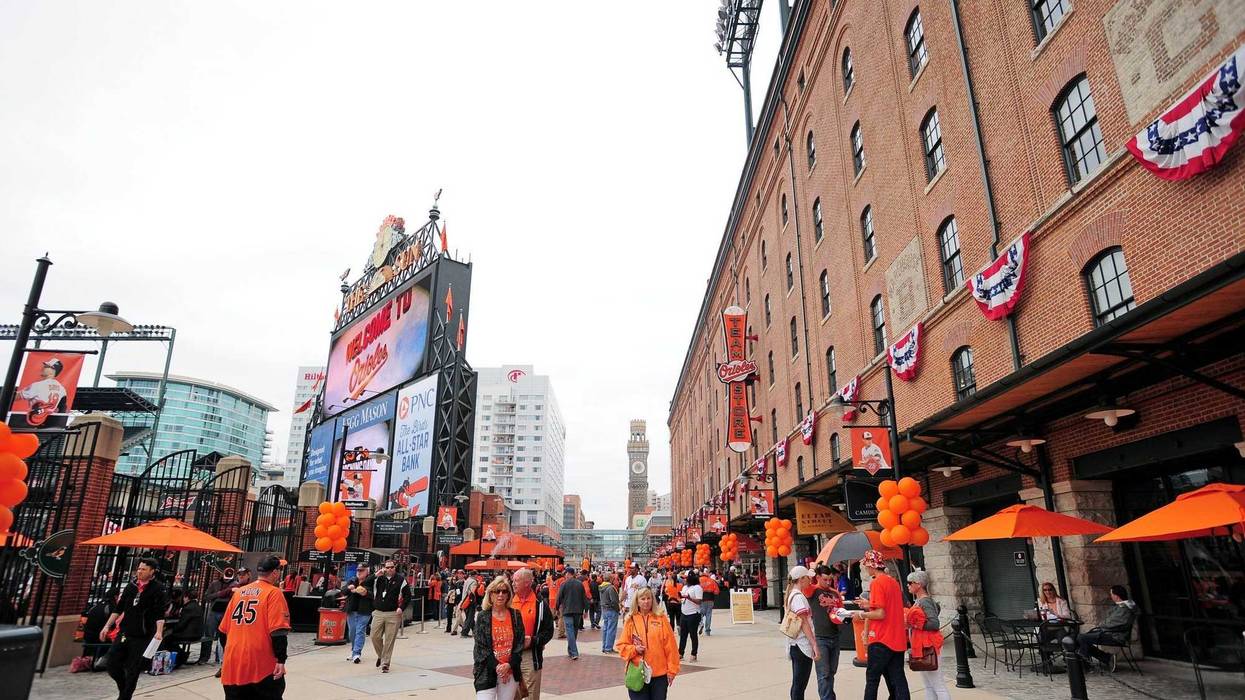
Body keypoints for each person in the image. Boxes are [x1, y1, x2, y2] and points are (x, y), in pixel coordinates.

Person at [217, 555, 290, 699]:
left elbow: (222, 631)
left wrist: (230, 652)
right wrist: (281, 659)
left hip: (234, 661)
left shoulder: (239, 592)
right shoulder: (273, 593)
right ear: (275, 572)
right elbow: (278, 631)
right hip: (261, 661)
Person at [101, 558, 167, 700]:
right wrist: (107, 626)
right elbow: (119, 608)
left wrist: (159, 631)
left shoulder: (158, 589)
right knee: (112, 663)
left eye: (143, 569)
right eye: (139, 569)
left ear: (152, 571)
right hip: (125, 632)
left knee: (133, 669)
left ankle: (125, 696)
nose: (139, 571)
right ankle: (123, 687)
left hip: (142, 635)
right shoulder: (131, 587)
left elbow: (159, 613)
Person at [856, 550, 910, 700]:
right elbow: (888, 607)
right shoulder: (893, 582)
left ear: (871, 565)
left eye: (866, 564)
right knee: (898, 679)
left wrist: (861, 614)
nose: (865, 568)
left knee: (872, 680)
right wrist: (869, 604)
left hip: (881, 639)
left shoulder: (877, 582)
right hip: (896, 639)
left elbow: (880, 614)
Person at [616, 587, 680, 700]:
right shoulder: (630, 620)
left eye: (649, 598)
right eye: (642, 598)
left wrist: (672, 670)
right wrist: (634, 649)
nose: (646, 601)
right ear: (637, 601)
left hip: (659, 675)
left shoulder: (661, 618)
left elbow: (671, 647)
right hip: (637, 673)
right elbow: (621, 646)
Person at [472, 577, 526, 700]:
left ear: (508, 595)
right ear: (490, 594)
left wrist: (508, 665)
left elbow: (519, 644)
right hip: (486, 671)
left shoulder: (515, 615)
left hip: (510, 671)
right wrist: (498, 667)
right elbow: (481, 647)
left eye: (504, 591)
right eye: (497, 591)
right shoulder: (483, 616)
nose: (500, 595)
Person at [905, 571, 949, 700]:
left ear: (918, 584)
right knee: (930, 685)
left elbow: (934, 623)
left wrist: (915, 624)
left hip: (929, 644)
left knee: (937, 685)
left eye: (910, 583)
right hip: (922, 644)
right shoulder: (921, 601)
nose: (908, 586)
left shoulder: (924, 602)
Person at [511, 568, 554, 700]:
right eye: (513, 581)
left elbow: (549, 631)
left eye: (516, 581)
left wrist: (533, 640)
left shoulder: (540, 604)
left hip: (530, 655)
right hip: (511, 656)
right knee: (512, 694)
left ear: (527, 583)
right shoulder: (509, 602)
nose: (513, 584)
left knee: (530, 695)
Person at [1076, 584, 1138, 672]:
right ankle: (1106, 658)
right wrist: (1103, 625)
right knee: (1081, 638)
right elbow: (1109, 621)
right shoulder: (1120, 606)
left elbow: (1115, 623)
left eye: (1111, 594)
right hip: (1110, 633)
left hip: (1116, 636)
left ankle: (1086, 665)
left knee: (1081, 638)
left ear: (1116, 596)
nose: (1111, 596)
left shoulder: (1125, 609)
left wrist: (1102, 625)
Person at [807, 565, 843, 700]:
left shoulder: (835, 593)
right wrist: (811, 573)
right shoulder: (812, 590)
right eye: (825, 579)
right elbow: (805, 586)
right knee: (823, 673)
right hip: (820, 638)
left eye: (830, 580)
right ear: (818, 578)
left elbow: (841, 612)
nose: (828, 582)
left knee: (831, 672)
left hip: (835, 635)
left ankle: (829, 696)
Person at [785, 565, 820, 700]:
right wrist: (814, 644)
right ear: (801, 579)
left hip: (796, 644)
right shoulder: (798, 597)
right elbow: (804, 623)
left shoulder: (792, 595)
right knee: (800, 685)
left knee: (798, 684)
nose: (810, 580)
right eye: (808, 578)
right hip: (801, 645)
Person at [202, 567, 248, 667]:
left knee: (222, 635)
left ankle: (220, 657)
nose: (227, 579)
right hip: (214, 611)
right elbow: (207, 597)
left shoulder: (235, 585)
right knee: (208, 634)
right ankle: (204, 657)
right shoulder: (215, 584)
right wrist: (219, 594)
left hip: (226, 612)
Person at [370, 560, 408, 673]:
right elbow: (365, 583)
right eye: (387, 567)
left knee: (389, 639)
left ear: (394, 567)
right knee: (374, 636)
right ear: (384, 568)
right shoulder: (379, 578)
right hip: (378, 612)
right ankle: (381, 655)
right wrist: (375, 575)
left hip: (393, 613)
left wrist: (401, 608)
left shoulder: (401, 579)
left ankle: (385, 663)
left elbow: (407, 596)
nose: (389, 569)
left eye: (391, 567)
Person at [160, 587, 204, 667]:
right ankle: (179, 655)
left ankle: (180, 657)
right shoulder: (197, 606)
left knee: (167, 638)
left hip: (190, 634)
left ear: (187, 597)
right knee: (169, 637)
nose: (183, 599)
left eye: (184, 597)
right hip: (197, 633)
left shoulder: (188, 608)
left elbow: (181, 625)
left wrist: (172, 630)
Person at [343, 563, 373, 664]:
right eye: (358, 570)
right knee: (352, 631)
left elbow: (374, 594)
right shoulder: (352, 580)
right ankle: (353, 649)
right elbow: (343, 591)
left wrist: (366, 593)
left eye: (361, 570)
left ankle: (357, 653)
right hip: (352, 609)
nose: (359, 572)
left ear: (367, 571)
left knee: (360, 630)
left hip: (365, 610)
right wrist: (349, 588)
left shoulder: (371, 581)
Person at [555, 567, 586, 660]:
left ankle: (573, 652)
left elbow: (559, 597)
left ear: (568, 573)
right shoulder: (580, 584)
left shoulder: (564, 584)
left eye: (565, 574)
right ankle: (571, 650)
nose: (565, 575)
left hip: (567, 611)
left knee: (569, 631)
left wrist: (557, 608)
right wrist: (586, 610)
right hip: (578, 611)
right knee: (574, 630)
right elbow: (584, 597)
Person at [83, 590, 120, 664]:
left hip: (88, 636)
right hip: (99, 636)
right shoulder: (111, 607)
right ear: (115, 597)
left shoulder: (96, 606)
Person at [677, 571, 702, 662]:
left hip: (693, 614)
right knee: (683, 635)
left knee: (693, 635)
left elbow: (699, 601)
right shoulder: (684, 587)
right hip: (684, 613)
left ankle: (694, 653)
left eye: (685, 578)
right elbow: (682, 599)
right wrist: (680, 598)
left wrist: (689, 598)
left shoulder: (697, 588)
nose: (684, 579)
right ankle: (680, 653)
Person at [599, 572, 621, 654]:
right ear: (611, 579)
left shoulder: (601, 587)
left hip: (604, 609)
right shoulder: (611, 588)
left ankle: (605, 647)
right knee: (611, 629)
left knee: (606, 629)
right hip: (611, 610)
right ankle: (608, 648)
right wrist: (618, 609)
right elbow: (614, 601)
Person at [698, 570, 719, 636]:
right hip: (710, 599)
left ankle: (701, 624)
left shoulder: (698, 580)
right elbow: (717, 592)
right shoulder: (712, 581)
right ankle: (707, 631)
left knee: (700, 614)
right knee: (708, 615)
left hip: (702, 599)